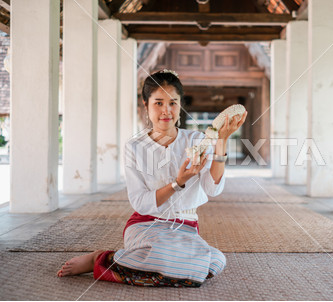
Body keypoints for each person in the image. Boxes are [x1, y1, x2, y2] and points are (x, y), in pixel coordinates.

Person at [57, 70, 247, 287]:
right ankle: (100, 259)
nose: (166, 110)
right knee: (177, 263)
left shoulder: (197, 139)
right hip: (146, 225)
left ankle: (138, 262)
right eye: (158, 103)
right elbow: (140, 202)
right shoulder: (135, 147)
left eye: (173, 103)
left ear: (180, 105)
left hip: (185, 227)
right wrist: (178, 183)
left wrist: (221, 141)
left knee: (216, 262)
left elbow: (212, 189)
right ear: (145, 105)